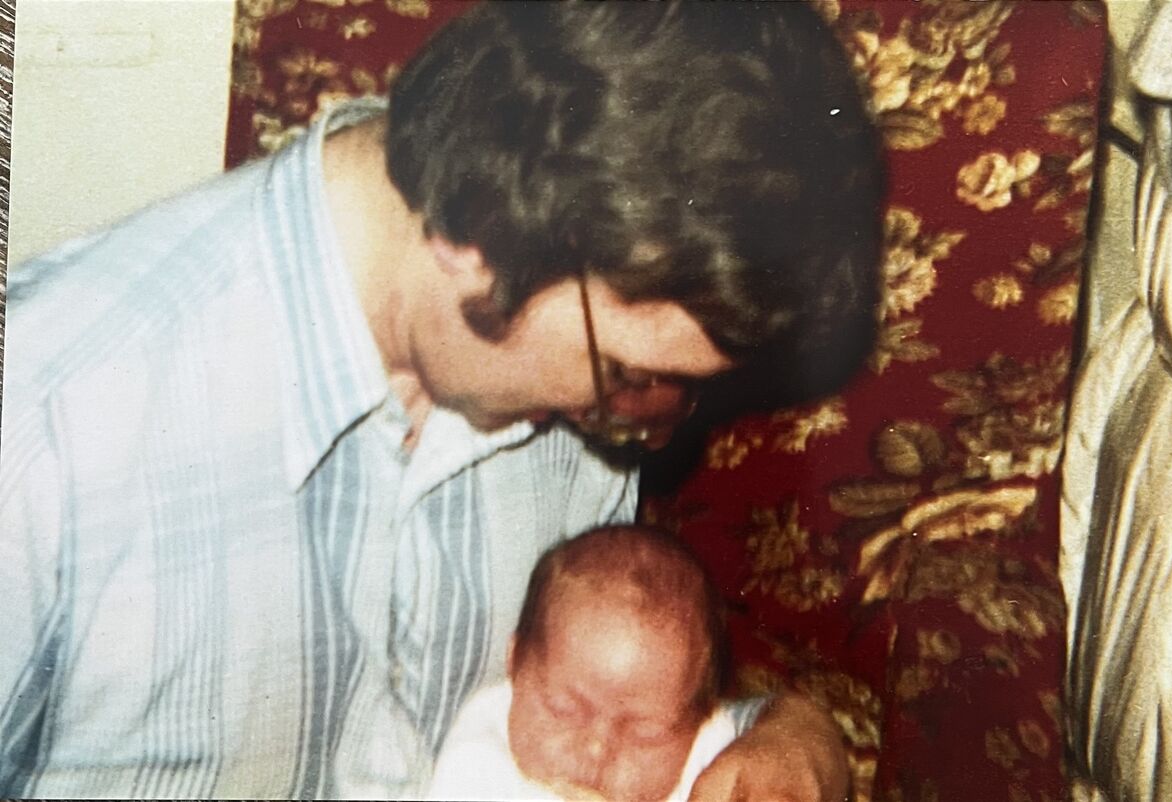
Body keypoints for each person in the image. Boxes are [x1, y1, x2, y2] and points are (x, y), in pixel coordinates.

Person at [0, 2, 882, 799]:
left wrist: (793, 733)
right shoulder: (44, 427)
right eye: (624, 375)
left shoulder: (563, 396)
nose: (630, 426)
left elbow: (589, 704)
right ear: (482, 233)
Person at [428, 525, 737, 802]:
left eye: (644, 734)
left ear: (701, 721)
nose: (597, 749)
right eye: (564, 710)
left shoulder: (712, 760)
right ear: (515, 664)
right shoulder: (478, 763)